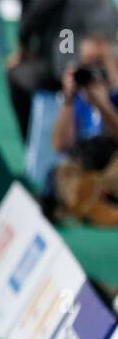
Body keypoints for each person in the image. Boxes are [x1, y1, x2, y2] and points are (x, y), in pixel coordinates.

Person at [7, 0, 118, 141]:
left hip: (67, 70)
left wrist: (22, 51)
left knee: (14, 74)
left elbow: (31, 21)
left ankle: (30, 142)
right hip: (107, 67)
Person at [50, 34, 118, 225]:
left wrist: (103, 104)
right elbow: (60, 144)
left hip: (113, 163)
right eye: (88, 67)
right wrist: (68, 99)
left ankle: (88, 203)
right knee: (62, 171)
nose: (94, 74)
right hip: (87, 163)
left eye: (100, 65)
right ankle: (96, 204)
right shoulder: (77, 98)